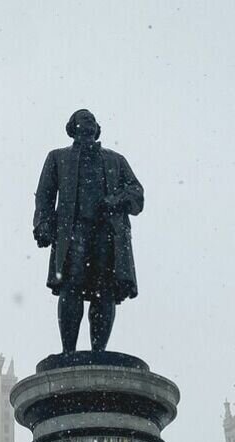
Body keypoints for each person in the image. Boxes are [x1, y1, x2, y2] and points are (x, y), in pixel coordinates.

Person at [33, 109, 144, 353]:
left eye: (93, 120)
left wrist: (115, 200)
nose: (89, 123)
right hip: (73, 232)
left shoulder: (115, 160)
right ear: (72, 127)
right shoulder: (58, 158)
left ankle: (98, 352)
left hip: (108, 234)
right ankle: (68, 352)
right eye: (84, 119)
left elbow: (137, 194)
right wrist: (42, 223)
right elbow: (45, 195)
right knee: (70, 287)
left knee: (104, 290)